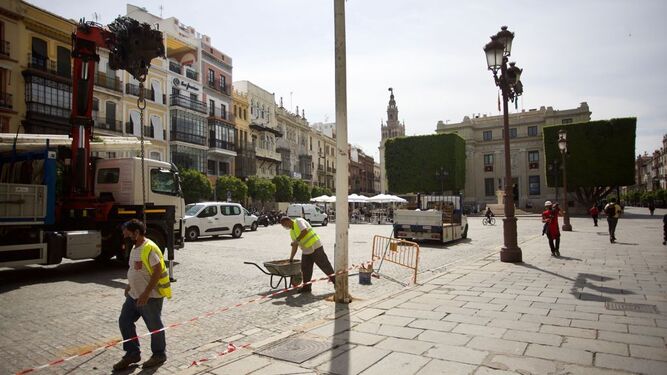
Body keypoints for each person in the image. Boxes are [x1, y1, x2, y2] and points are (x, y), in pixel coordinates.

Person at [114, 219, 171, 371]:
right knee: (124, 321)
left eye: (128, 234)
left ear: (137, 233)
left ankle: (159, 354)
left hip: (150, 297)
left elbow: (158, 271)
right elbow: (136, 269)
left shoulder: (149, 248)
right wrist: (129, 285)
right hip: (134, 295)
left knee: (154, 326)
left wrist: (146, 293)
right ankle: (132, 353)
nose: (125, 236)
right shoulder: (135, 247)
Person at [280, 216, 335, 293]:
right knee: (305, 269)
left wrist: (297, 240)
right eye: (284, 226)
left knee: (325, 265)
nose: (285, 227)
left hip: (315, 247)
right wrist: (291, 258)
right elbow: (295, 246)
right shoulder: (292, 232)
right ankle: (306, 287)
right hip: (306, 250)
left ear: (288, 221)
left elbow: (304, 231)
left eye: (285, 224)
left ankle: (337, 283)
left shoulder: (298, 221)